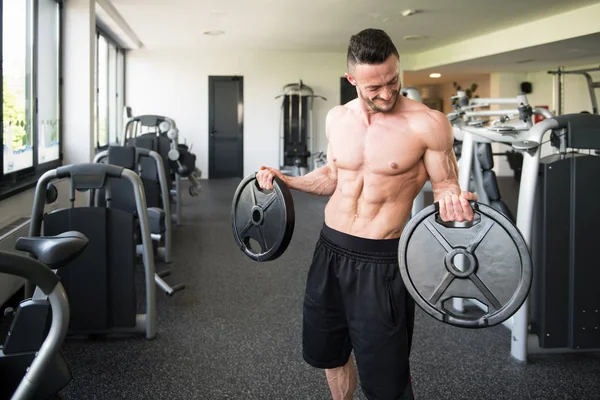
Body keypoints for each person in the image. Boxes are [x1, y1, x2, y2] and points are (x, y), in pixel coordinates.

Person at [257, 28, 477, 400]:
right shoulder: (337, 118)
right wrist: (288, 182)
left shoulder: (427, 123)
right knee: (330, 352)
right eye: (374, 87)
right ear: (352, 79)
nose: (387, 93)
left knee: (386, 376)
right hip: (330, 250)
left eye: (393, 81)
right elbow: (332, 176)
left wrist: (454, 200)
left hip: (382, 260)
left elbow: (445, 185)